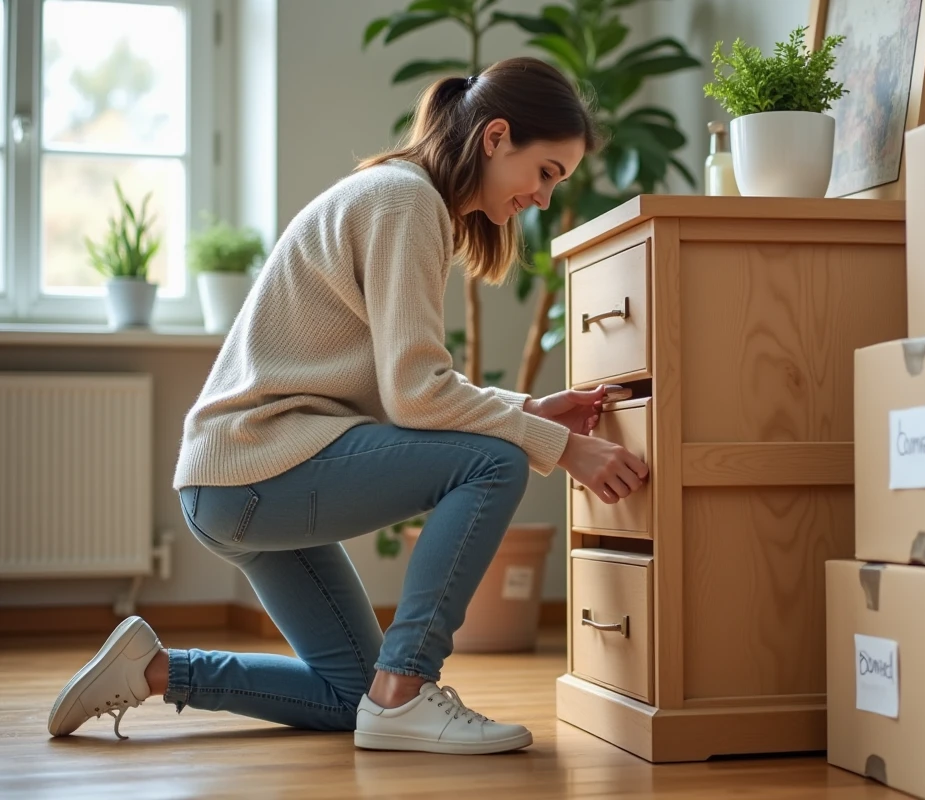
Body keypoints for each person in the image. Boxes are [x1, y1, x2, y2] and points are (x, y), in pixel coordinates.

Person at [47, 57, 649, 755]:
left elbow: (407, 385)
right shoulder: (406, 201)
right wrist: (563, 447)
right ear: (496, 137)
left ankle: (153, 671)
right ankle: (409, 690)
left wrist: (531, 408)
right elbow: (418, 393)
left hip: (240, 477)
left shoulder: (401, 197)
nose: (544, 197)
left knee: (349, 696)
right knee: (495, 464)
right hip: (257, 468)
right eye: (545, 171)